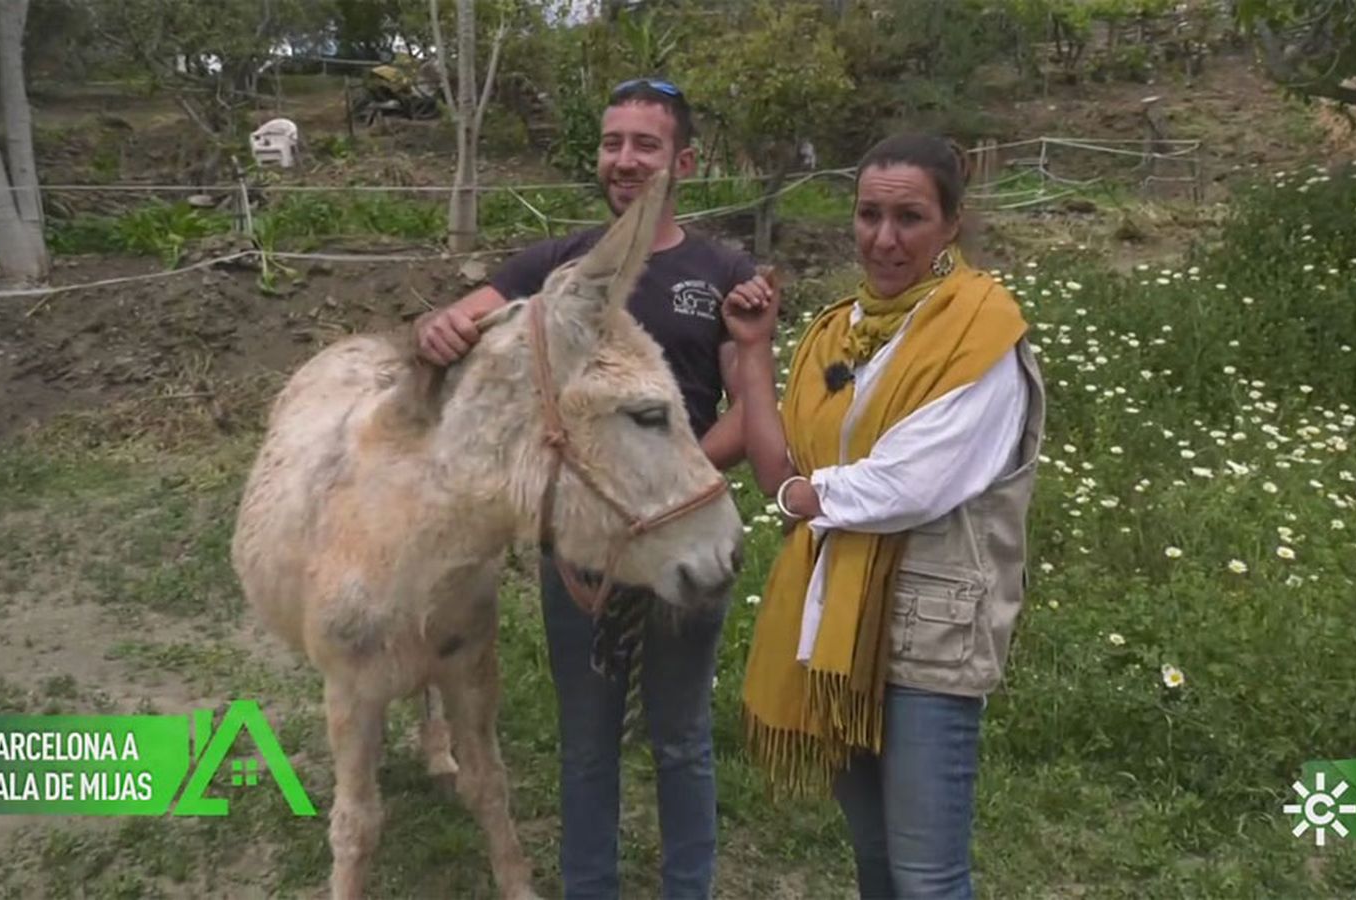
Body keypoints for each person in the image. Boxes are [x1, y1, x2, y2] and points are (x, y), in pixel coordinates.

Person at [416, 78, 760, 899]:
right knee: (587, 743)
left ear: (685, 160)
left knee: (680, 737)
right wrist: (438, 328)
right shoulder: (553, 269)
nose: (626, 160)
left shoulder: (723, 272)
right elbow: (464, 326)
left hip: (678, 532)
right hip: (581, 551)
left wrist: (656, 495)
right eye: (613, 143)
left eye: (646, 144)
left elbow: (750, 415)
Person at [722, 131, 1047, 899]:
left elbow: (906, 483)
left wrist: (805, 498)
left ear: (952, 224)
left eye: (910, 217)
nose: (885, 238)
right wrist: (756, 351)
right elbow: (780, 471)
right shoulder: (841, 334)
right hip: (839, 634)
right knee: (876, 864)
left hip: (929, 636)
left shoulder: (981, 330)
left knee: (928, 878)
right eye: (869, 214)